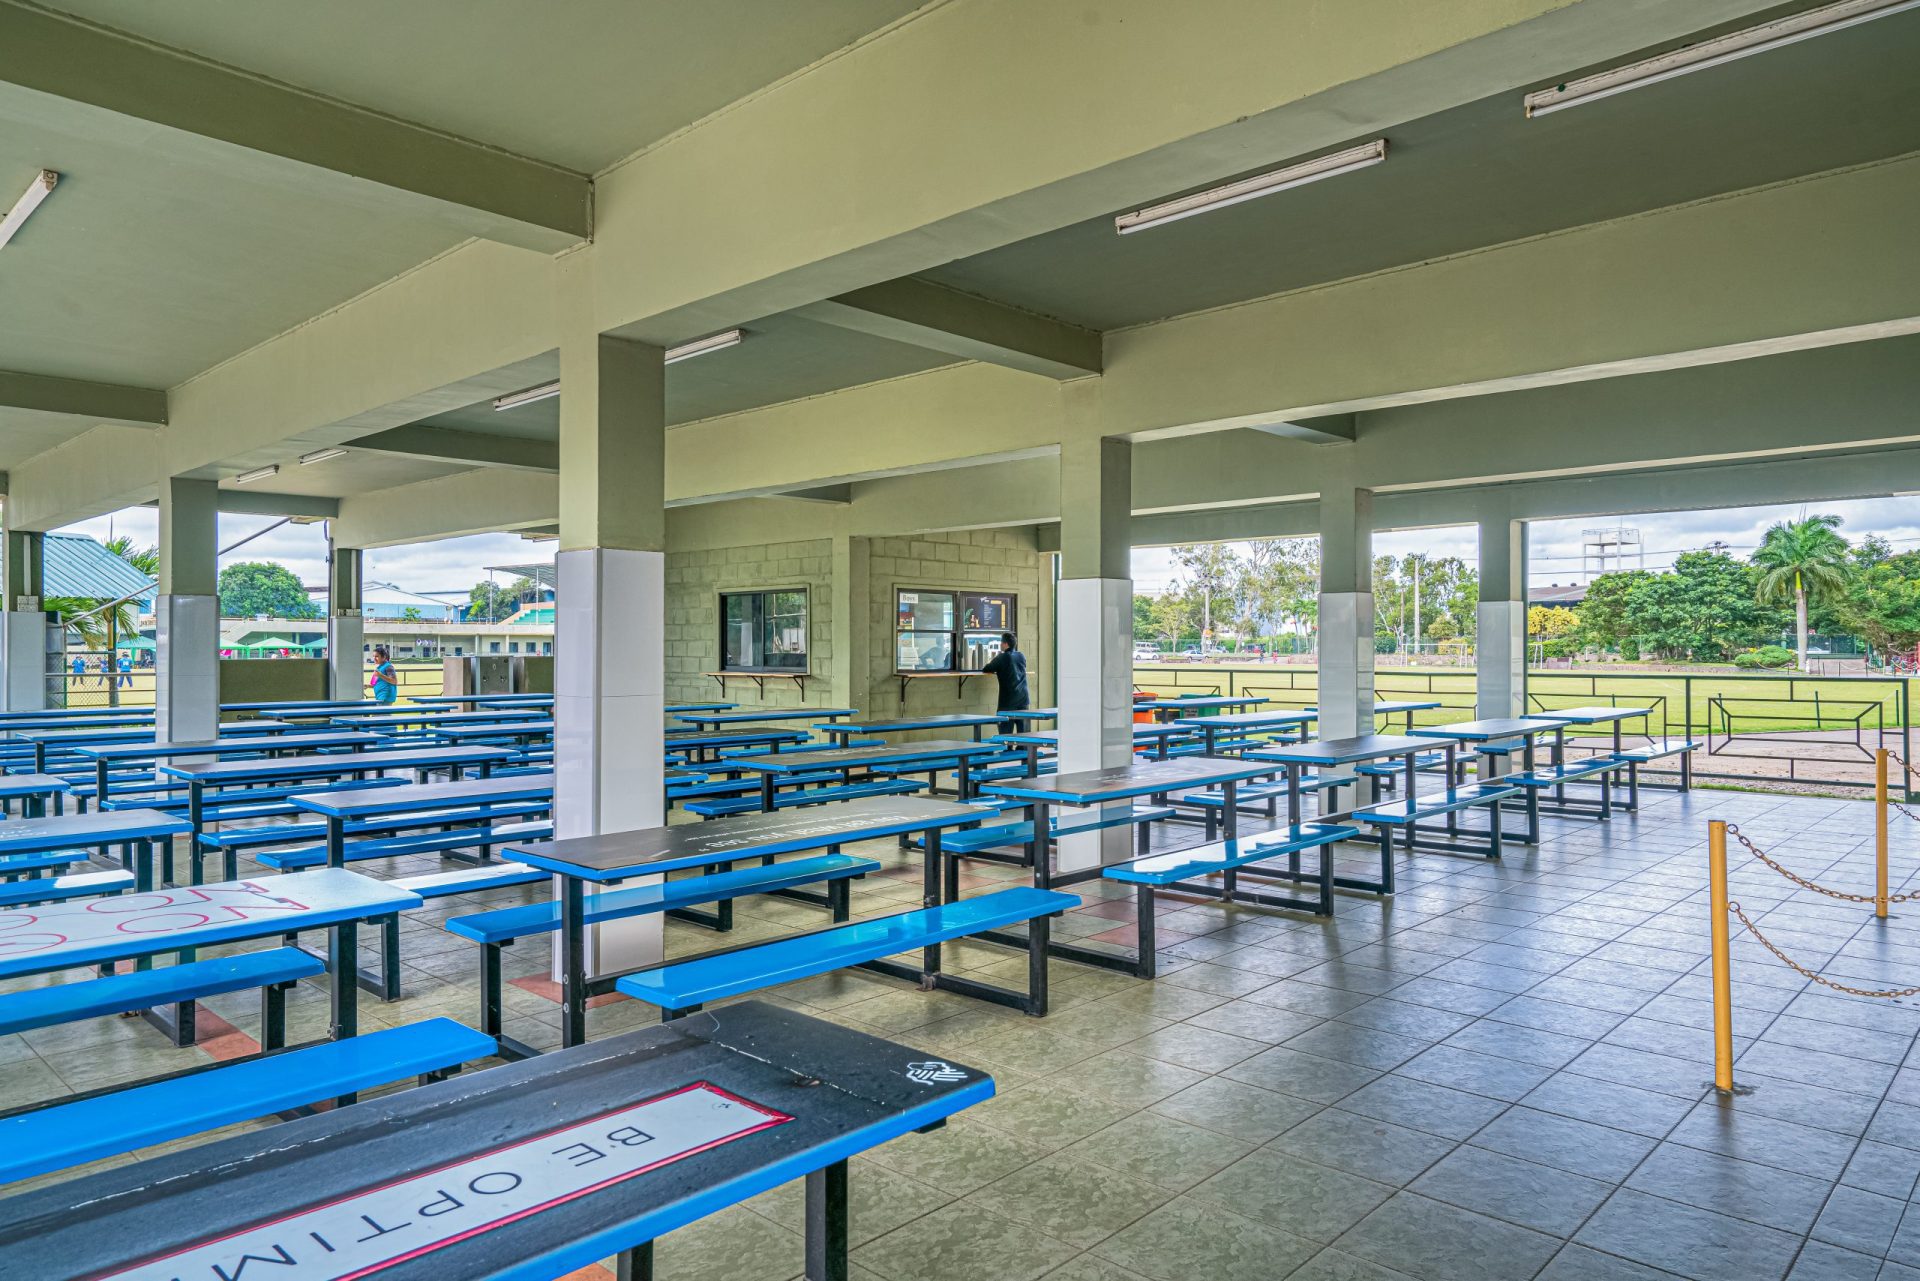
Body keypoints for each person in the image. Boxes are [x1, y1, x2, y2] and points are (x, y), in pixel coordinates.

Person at [982, 631, 1029, 735]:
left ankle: (1007, 750)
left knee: (1005, 732)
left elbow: (986, 668)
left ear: (1006, 644)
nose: (1000, 644)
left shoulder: (1002, 657)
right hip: (1023, 699)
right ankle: (1024, 750)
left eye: (1001, 642)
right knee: (1024, 732)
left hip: (1008, 701)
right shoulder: (1021, 655)